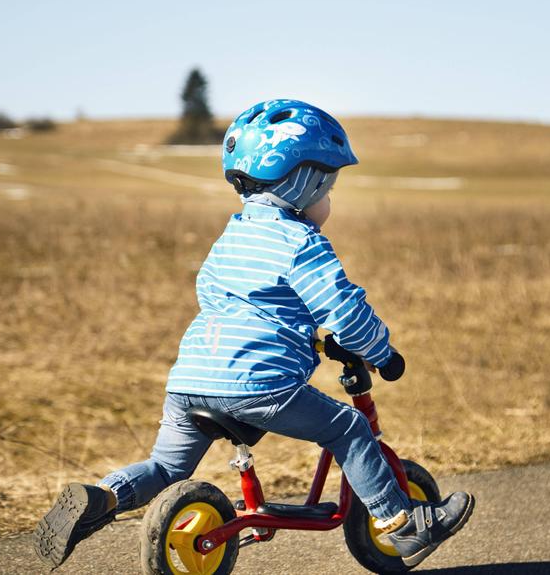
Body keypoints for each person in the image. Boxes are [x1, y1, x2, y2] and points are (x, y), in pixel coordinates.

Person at [34, 99, 474, 569]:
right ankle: (402, 524)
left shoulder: (232, 236)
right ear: (304, 182)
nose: (330, 199)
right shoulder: (302, 243)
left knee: (165, 469)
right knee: (349, 428)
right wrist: (382, 353)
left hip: (190, 380)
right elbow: (343, 308)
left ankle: (102, 496)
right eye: (329, 185)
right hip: (258, 386)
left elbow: (212, 292)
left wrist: (303, 335)